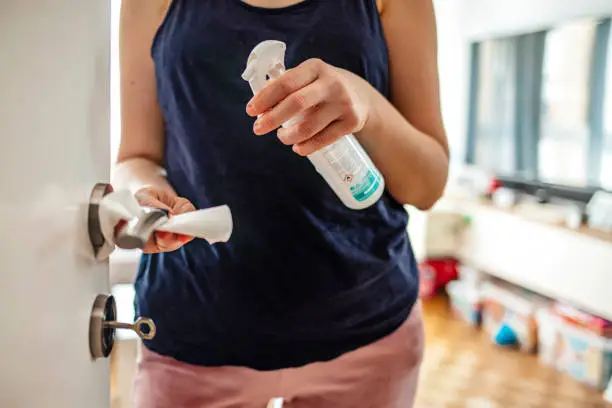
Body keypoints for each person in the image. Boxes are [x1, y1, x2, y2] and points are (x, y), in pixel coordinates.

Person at [115, 0, 449, 407]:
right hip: (194, 333)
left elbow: (428, 186)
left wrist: (367, 105)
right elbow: (135, 158)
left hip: (368, 334)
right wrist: (144, 199)